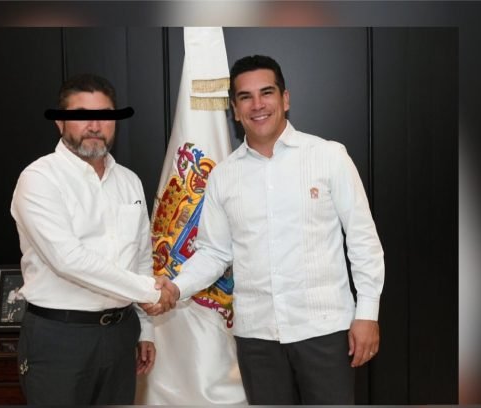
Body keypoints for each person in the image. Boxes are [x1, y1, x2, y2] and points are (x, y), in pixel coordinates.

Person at [154, 55, 385, 405]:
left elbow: (363, 239)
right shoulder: (223, 177)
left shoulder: (329, 156)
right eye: (245, 97)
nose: (257, 105)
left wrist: (367, 313)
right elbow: (214, 252)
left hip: (324, 331)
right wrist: (175, 286)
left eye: (266, 93)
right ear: (235, 110)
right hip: (257, 339)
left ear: (285, 99)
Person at [10, 73, 175, 405]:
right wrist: (151, 291)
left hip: (120, 334)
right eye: (82, 115)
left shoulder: (129, 181)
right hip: (60, 338)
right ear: (60, 122)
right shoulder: (39, 179)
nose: (95, 126)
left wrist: (145, 328)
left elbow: (141, 257)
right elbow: (69, 260)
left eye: (104, 116)